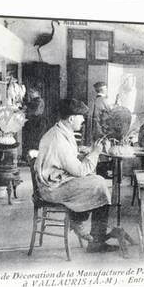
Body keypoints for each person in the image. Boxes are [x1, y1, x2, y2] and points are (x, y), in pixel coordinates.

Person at [34, 98, 117, 252]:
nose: (84, 120)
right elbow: (79, 171)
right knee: (99, 184)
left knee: (95, 180)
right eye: (81, 116)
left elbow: (66, 159)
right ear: (71, 118)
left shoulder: (60, 131)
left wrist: (84, 153)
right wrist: (96, 152)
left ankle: (79, 220)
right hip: (52, 189)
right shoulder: (58, 139)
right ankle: (94, 240)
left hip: (56, 181)